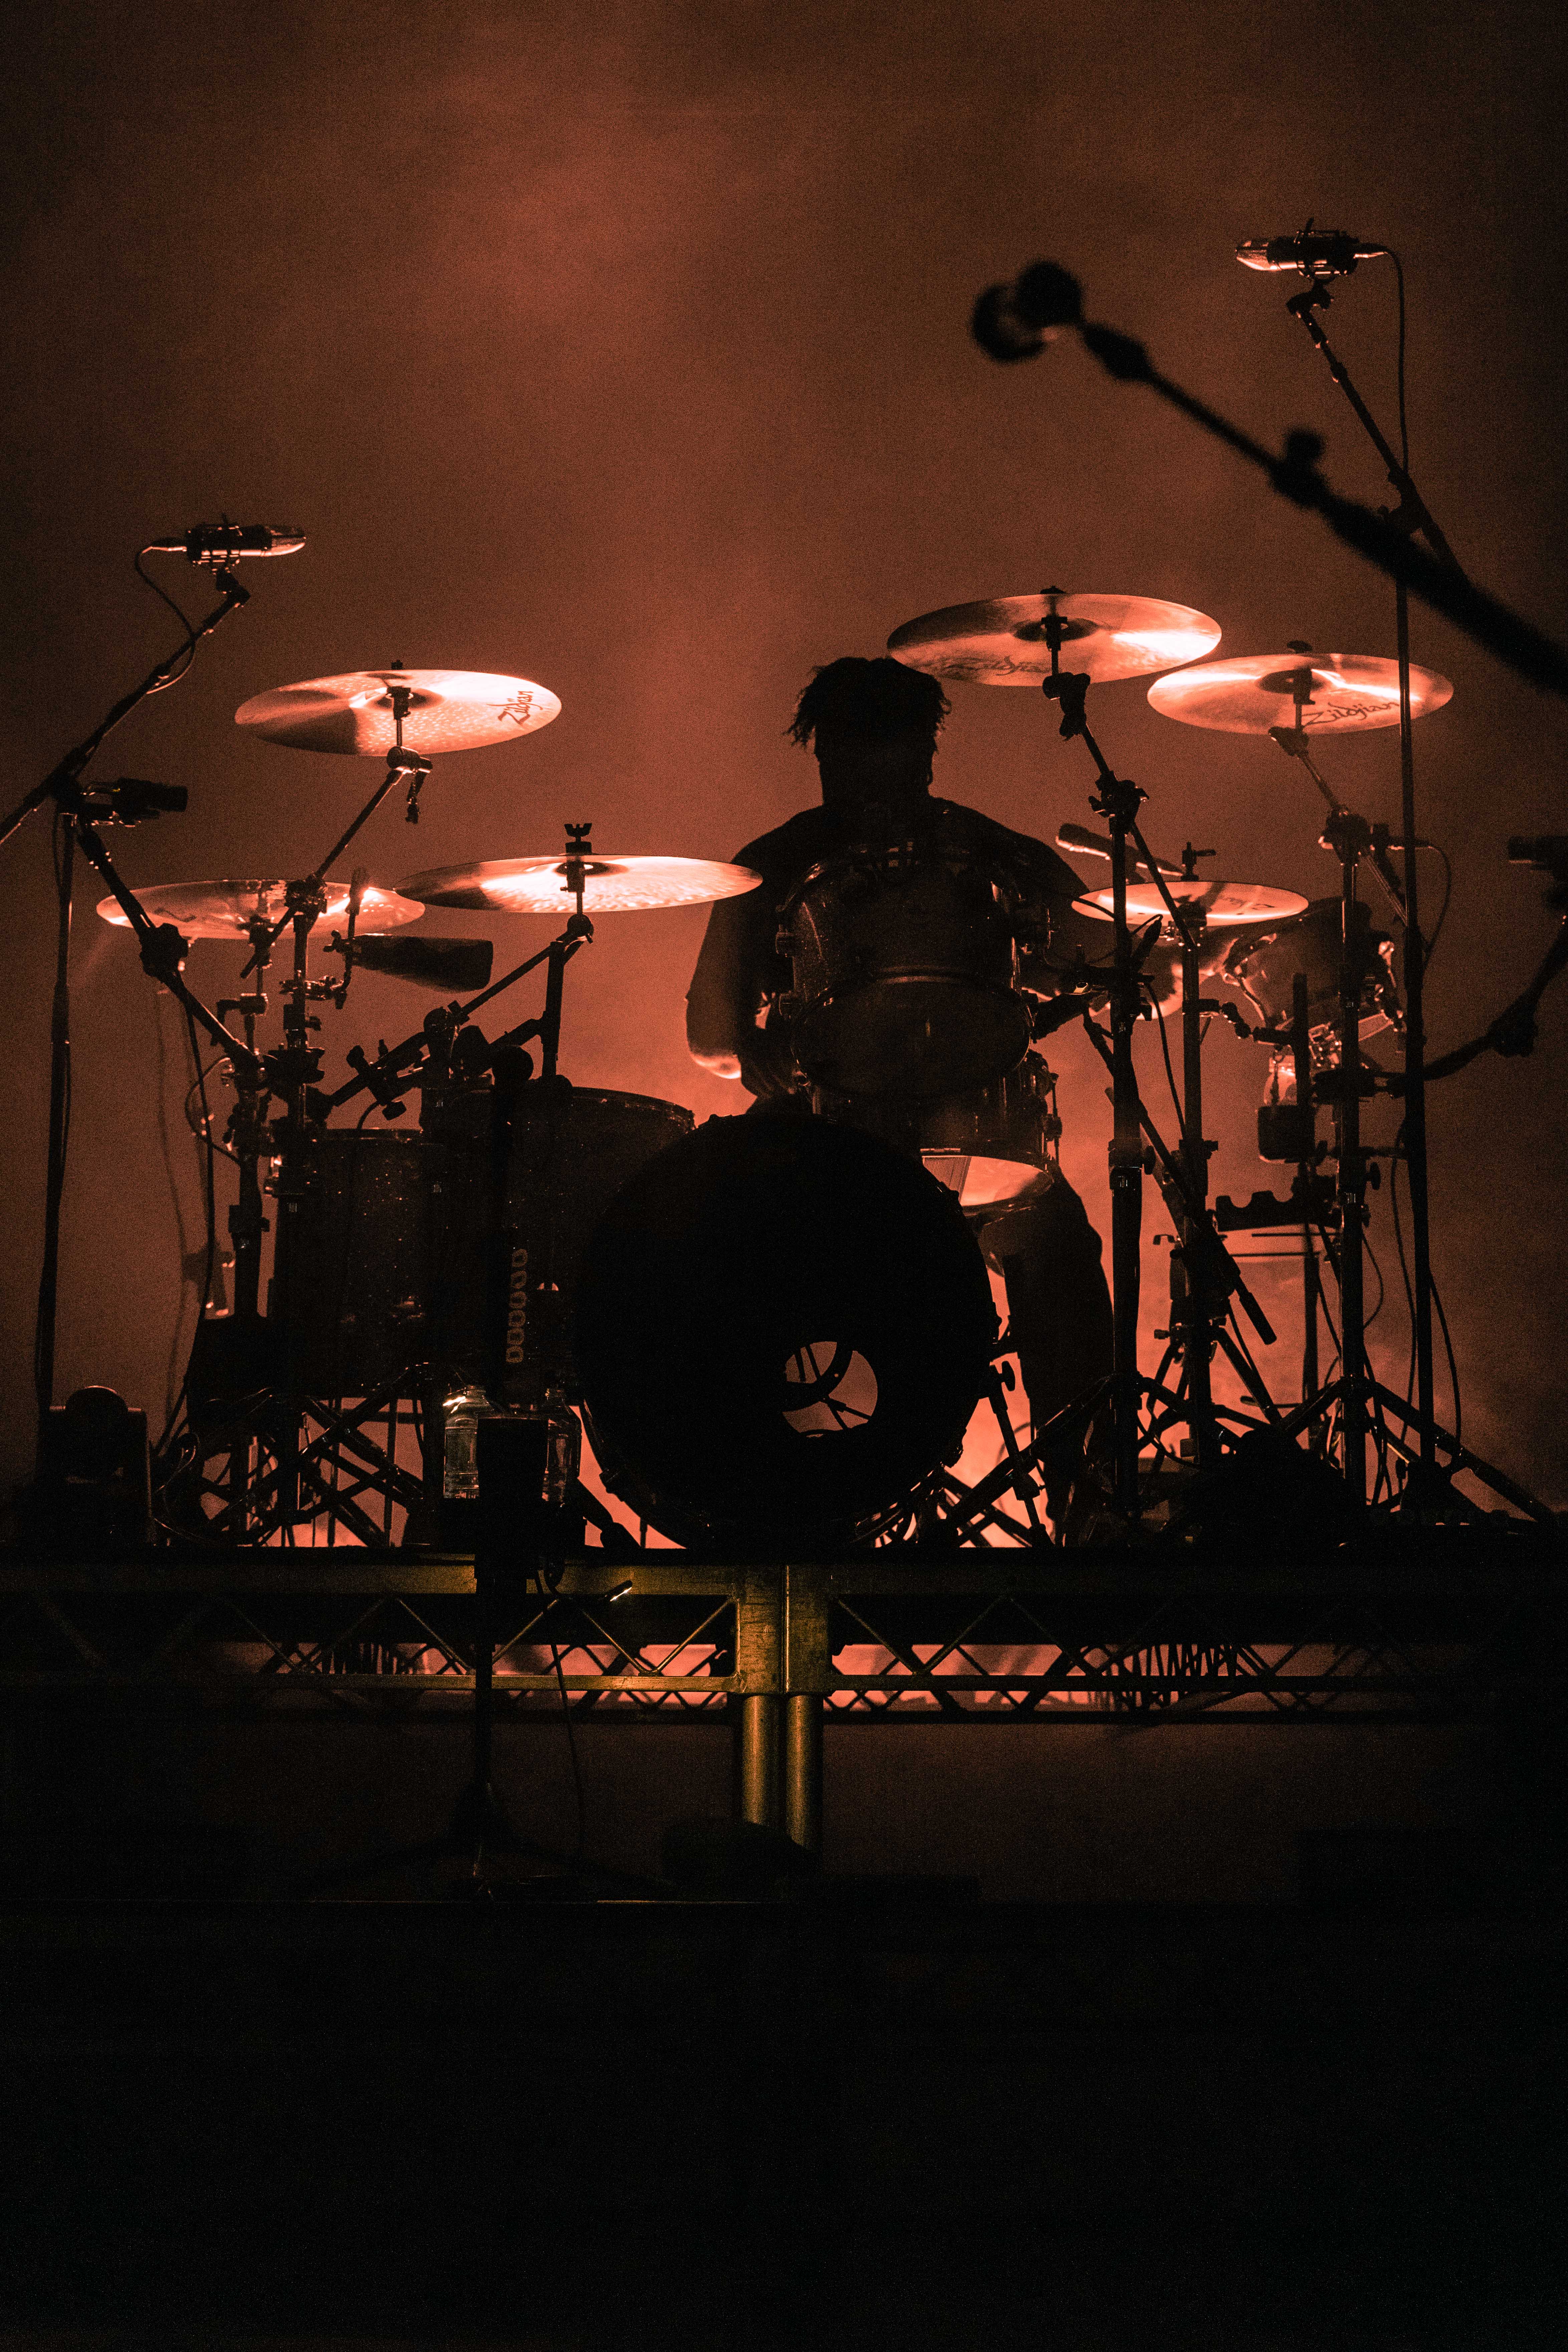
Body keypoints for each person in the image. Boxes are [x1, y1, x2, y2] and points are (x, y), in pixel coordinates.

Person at [686, 655, 1115, 1523]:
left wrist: (1086, 985)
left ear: (922, 753)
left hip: (971, 1131)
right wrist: (750, 1049)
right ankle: (802, 1502)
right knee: (743, 1266)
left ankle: (1086, 1501)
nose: (869, 779)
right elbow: (709, 1036)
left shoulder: (994, 857)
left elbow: (1107, 961)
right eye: (851, 756)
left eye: (884, 754)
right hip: (831, 1135)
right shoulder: (771, 868)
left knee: (1059, 1261)